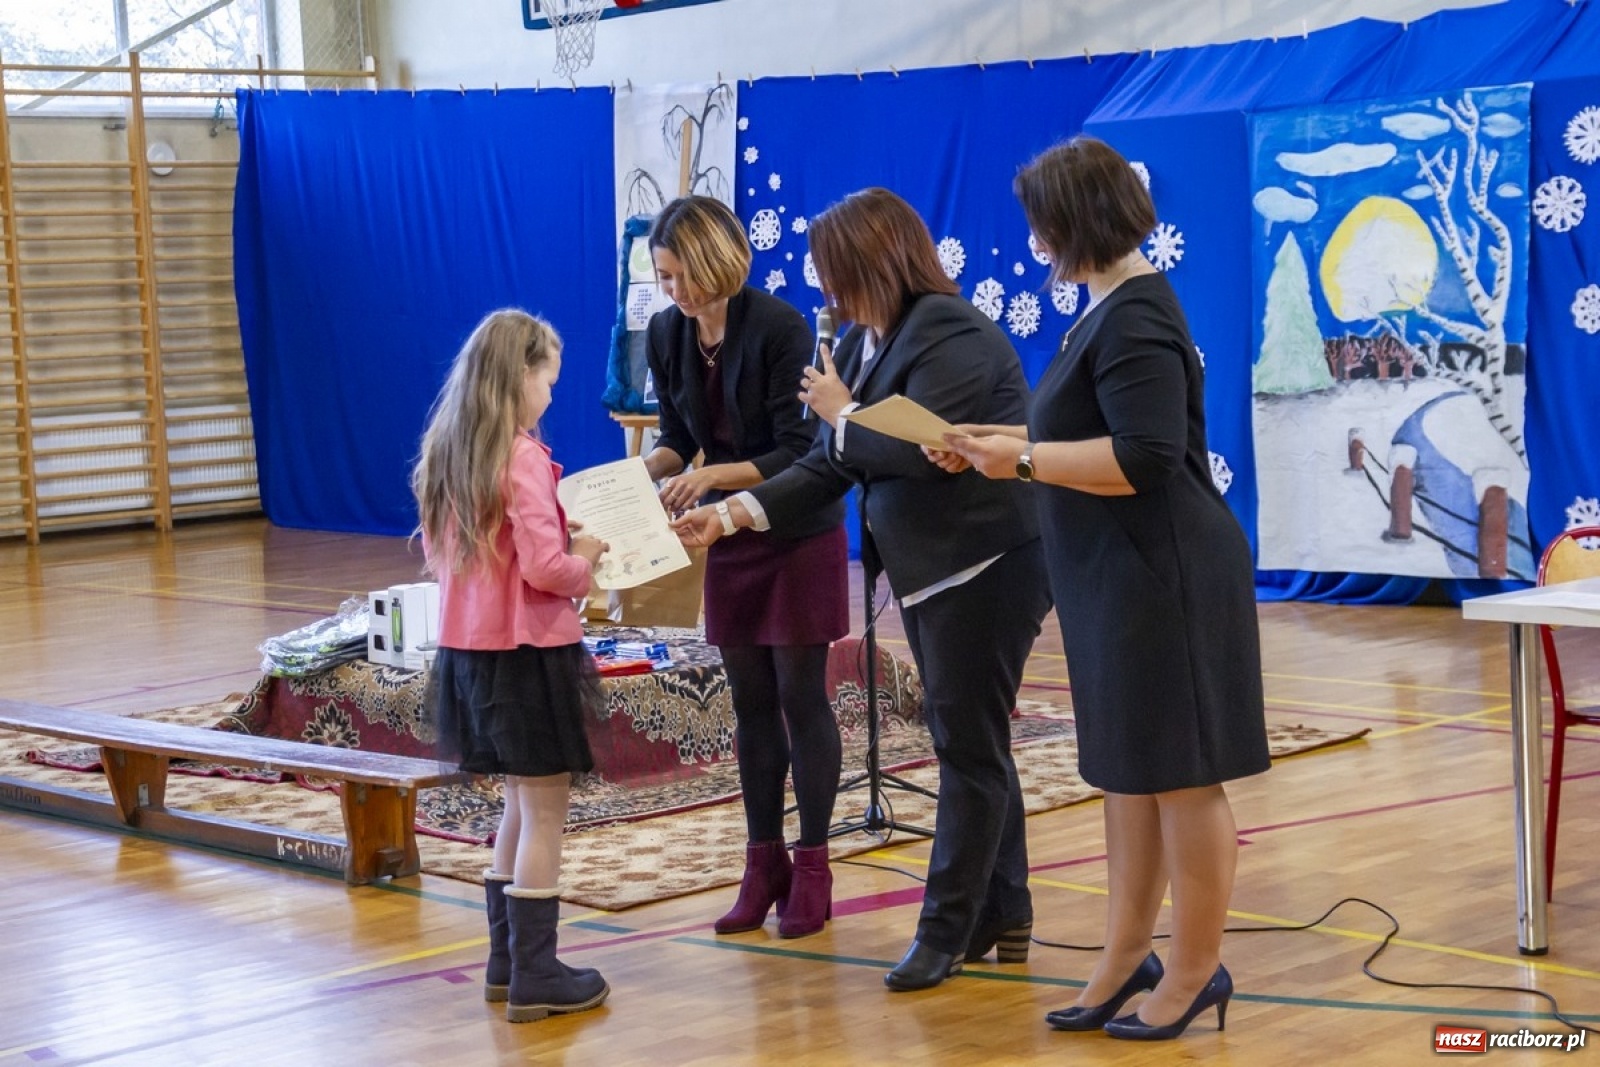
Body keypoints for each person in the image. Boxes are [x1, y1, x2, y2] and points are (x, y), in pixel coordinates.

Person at [672, 187, 1052, 991]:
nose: (827, 294)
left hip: (985, 564)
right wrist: (732, 515)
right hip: (936, 571)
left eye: (835, 275)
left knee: (967, 750)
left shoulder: (946, 330)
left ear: (874, 263)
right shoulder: (875, 337)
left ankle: (946, 928)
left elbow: (919, 450)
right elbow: (828, 463)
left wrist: (843, 412)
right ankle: (1006, 911)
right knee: (976, 743)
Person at [936, 136, 1270, 1040]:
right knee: (1129, 774)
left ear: (1072, 220)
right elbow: (1084, 430)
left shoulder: (1135, 316)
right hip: (1112, 577)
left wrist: (1026, 457)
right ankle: (1127, 954)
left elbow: (1147, 456)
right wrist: (992, 444)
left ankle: (1197, 965)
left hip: (1164, 575)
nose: (1036, 240)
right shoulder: (1103, 310)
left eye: (1043, 223)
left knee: (1183, 778)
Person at [642, 196, 849, 939]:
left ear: (715, 261)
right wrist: (638, 476)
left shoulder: (781, 327)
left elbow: (802, 452)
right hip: (726, 534)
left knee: (801, 697)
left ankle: (815, 865)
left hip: (793, 529)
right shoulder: (666, 334)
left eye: (680, 275)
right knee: (750, 705)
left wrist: (713, 478)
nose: (673, 292)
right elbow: (674, 436)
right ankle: (763, 864)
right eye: (663, 278)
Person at [413, 309, 612, 1024]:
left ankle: (504, 962)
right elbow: (548, 569)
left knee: (518, 804)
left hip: (470, 653)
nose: (553, 395)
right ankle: (536, 973)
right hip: (528, 656)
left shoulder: (449, 449)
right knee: (546, 812)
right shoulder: (520, 456)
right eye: (547, 379)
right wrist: (588, 556)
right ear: (517, 375)